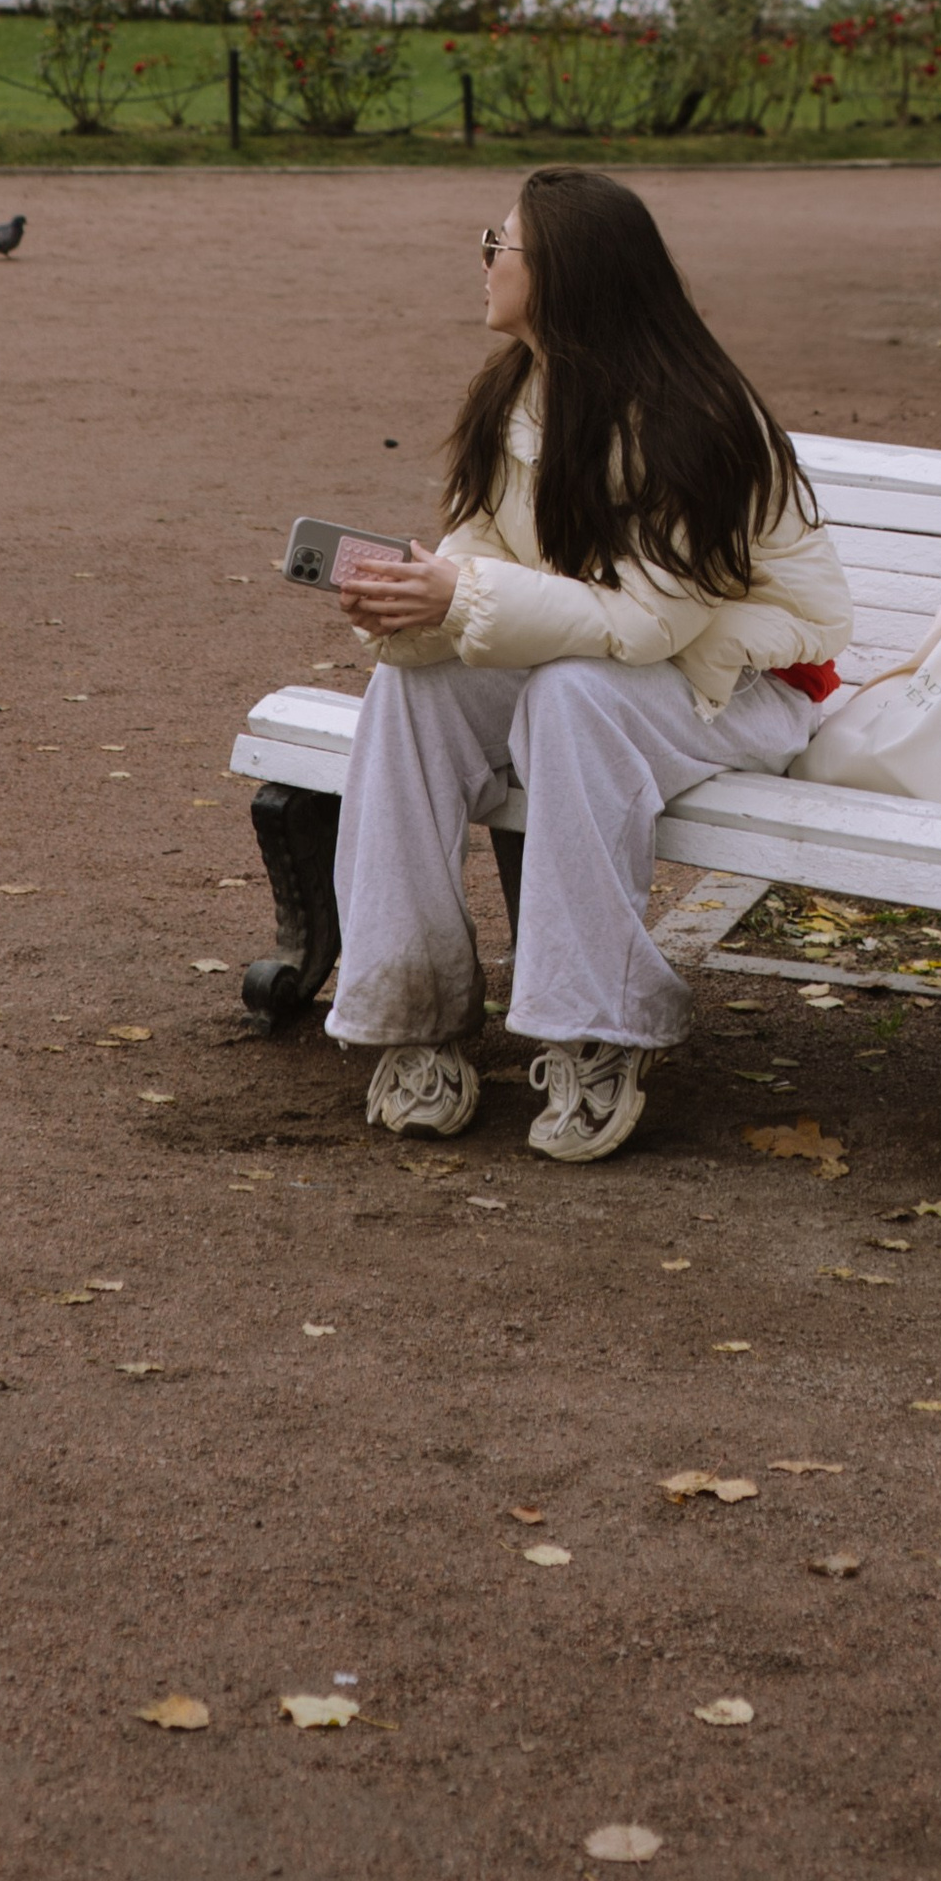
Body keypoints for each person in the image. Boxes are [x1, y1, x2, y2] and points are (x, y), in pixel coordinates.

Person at [326, 166, 852, 1164]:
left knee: (573, 699)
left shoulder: (694, 415)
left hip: (740, 683)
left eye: (500, 243)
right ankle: (415, 1017)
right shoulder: (512, 393)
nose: (482, 259)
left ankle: (599, 1030)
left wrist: (464, 597)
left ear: (560, 274)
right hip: (610, 666)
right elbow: (487, 561)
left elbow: (654, 624)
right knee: (412, 684)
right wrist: (416, 607)